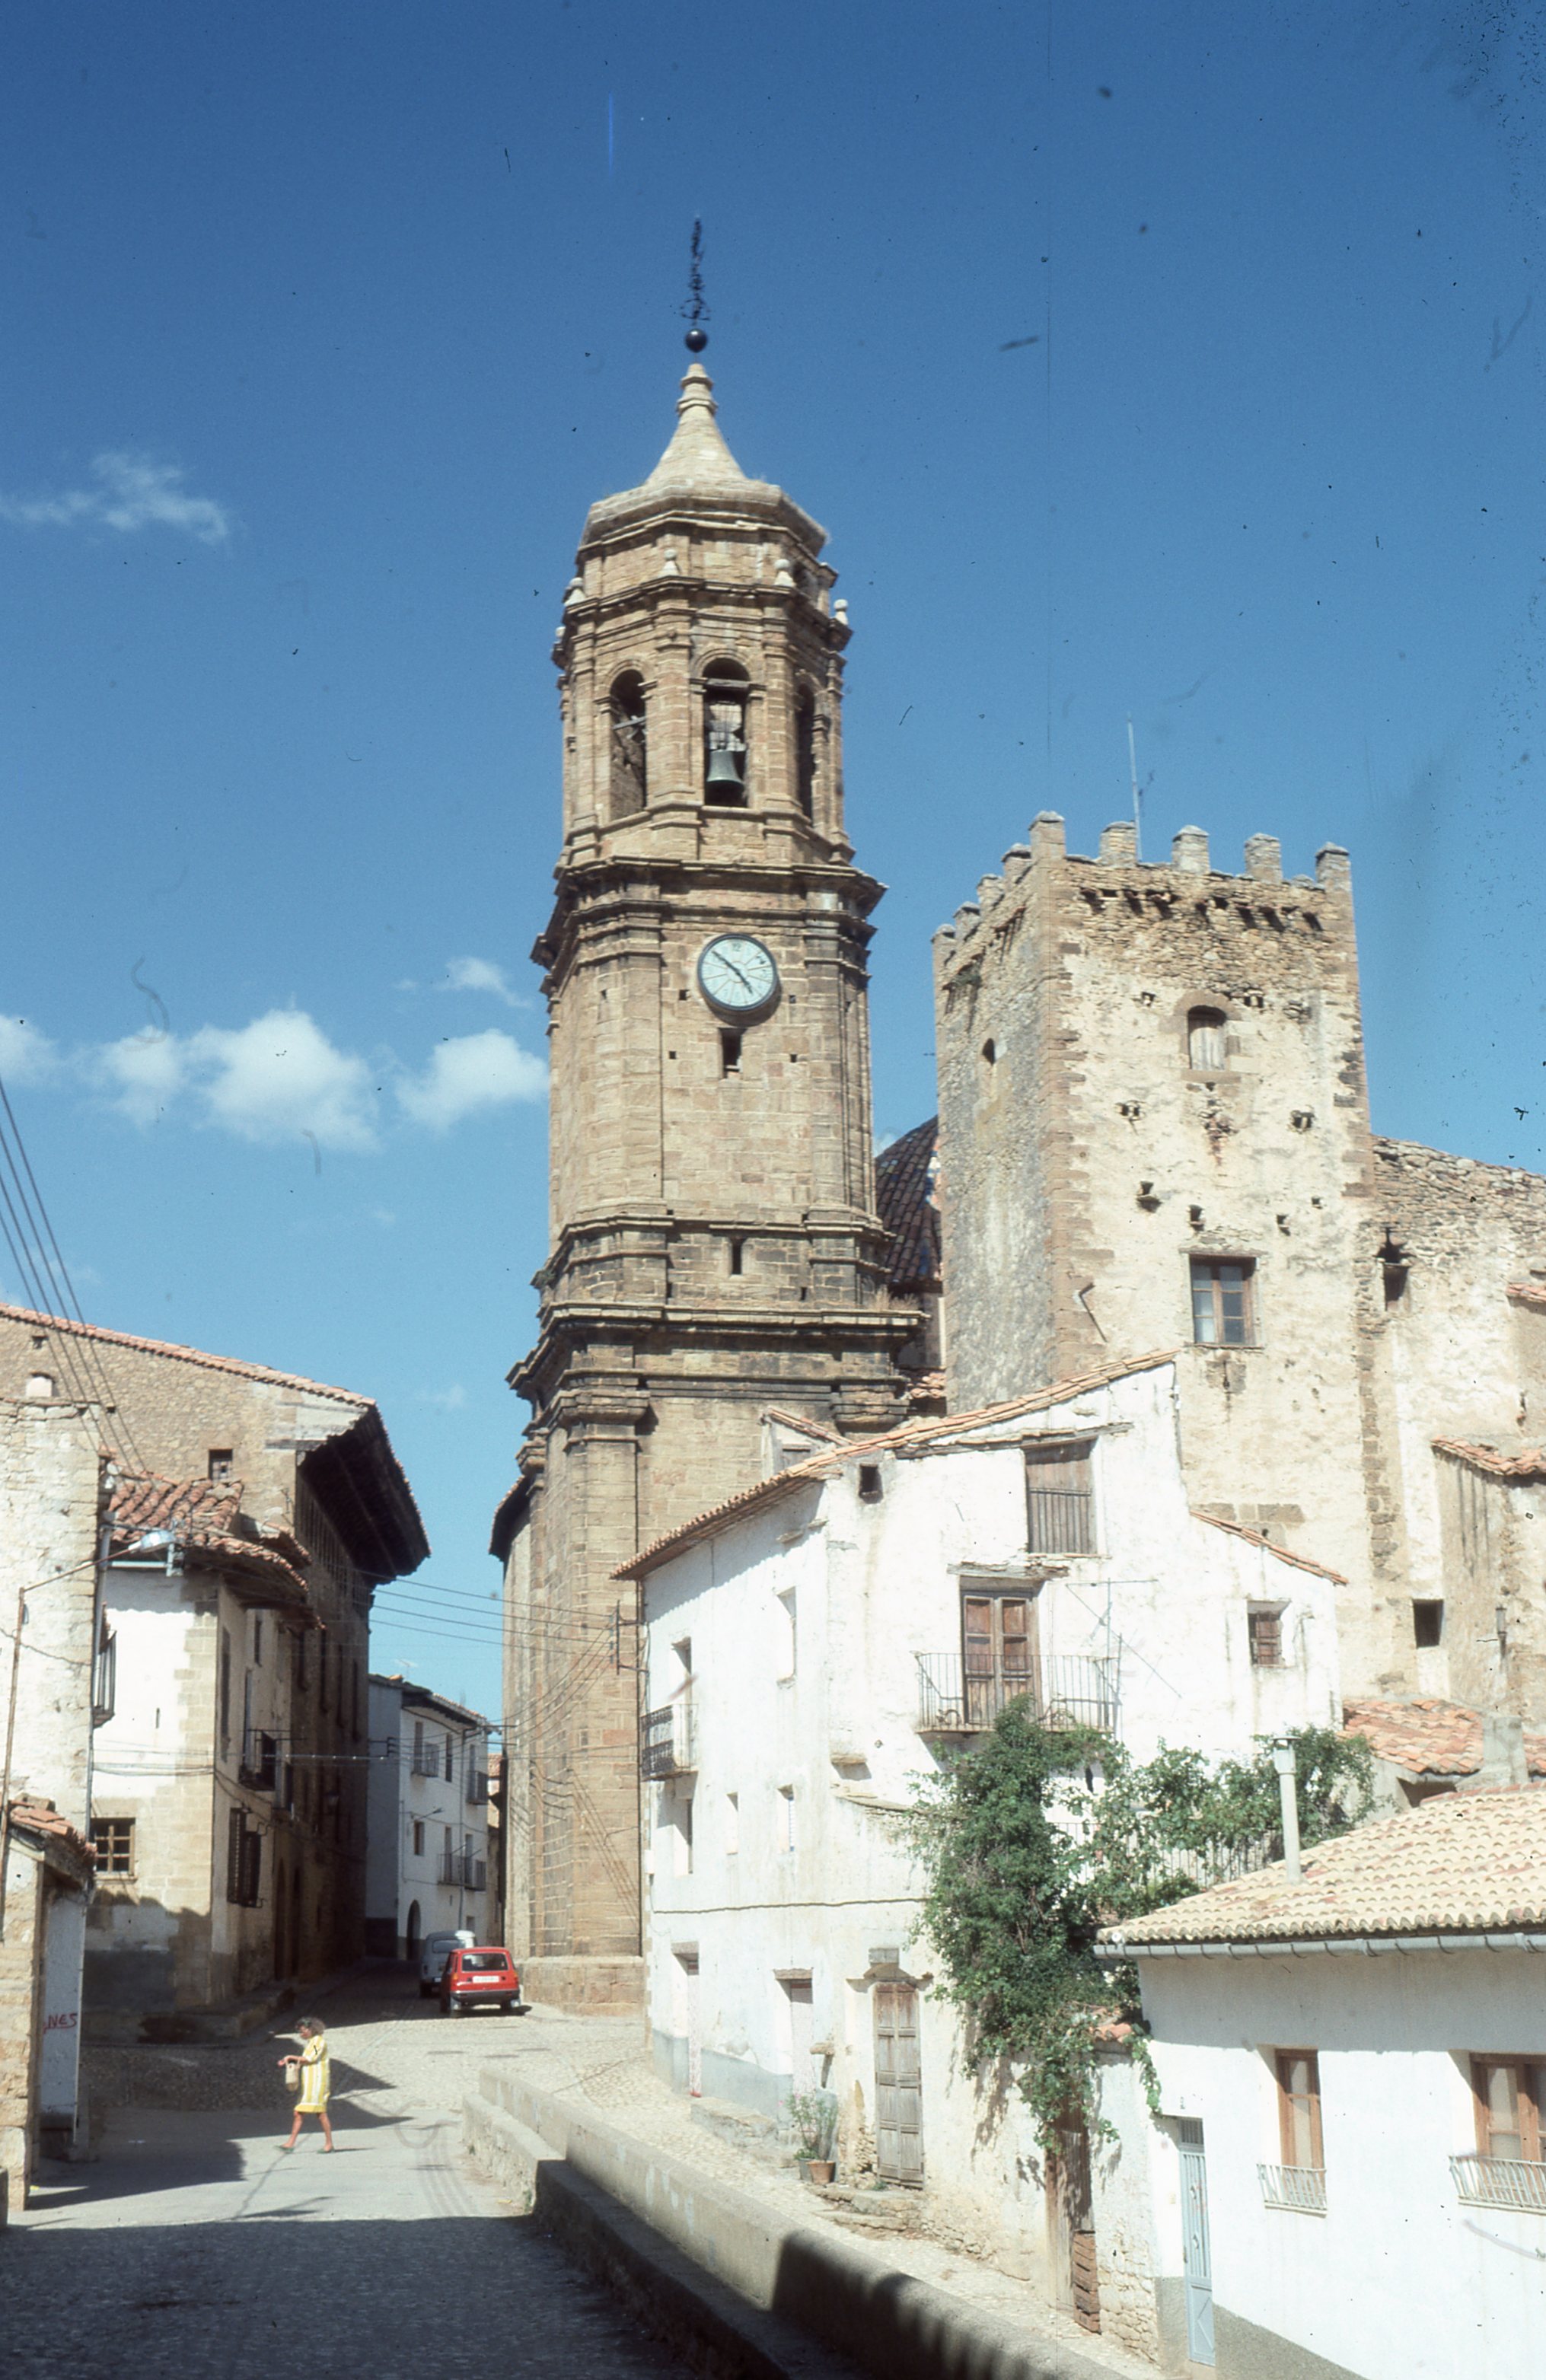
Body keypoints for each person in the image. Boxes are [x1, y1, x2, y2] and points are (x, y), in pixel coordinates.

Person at [278, 2018, 333, 2151]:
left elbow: (310, 2058)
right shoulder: (312, 2042)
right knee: (299, 2113)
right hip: (310, 2083)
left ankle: (329, 2144)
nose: (301, 2034)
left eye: (303, 2031)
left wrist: (290, 2057)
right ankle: (291, 2143)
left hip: (317, 2083)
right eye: (300, 2032)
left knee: (320, 2113)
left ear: (311, 2030)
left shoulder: (318, 2042)